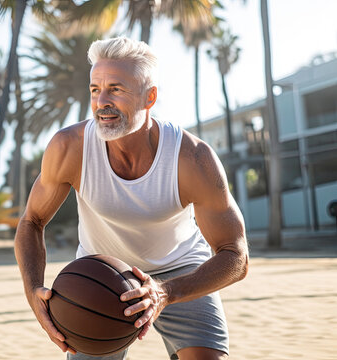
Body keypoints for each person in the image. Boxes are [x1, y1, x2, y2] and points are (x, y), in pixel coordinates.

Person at [14, 36, 249, 360]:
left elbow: (236, 256)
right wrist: (32, 292)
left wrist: (166, 292)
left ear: (149, 97)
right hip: (101, 273)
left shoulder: (192, 159)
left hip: (180, 268)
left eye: (116, 89)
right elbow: (31, 221)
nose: (102, 101)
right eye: (95, 89)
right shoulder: (70, 148)